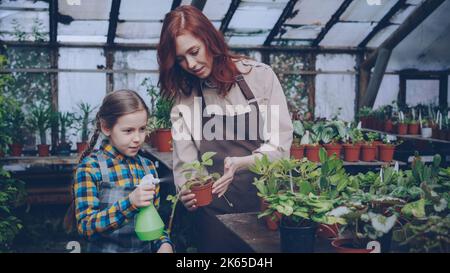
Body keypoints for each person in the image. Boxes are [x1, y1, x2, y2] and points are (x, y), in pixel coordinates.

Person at [157, 5, 293, 252]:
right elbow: (185, 164)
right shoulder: (185, 99)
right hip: (213, 219)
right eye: (180, 59)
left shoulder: (260, 78)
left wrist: (240, 163)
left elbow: (280, 149)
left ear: (210, 39)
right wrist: (187, 191)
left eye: (194, 51)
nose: (191, 63)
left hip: (266, 210)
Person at [71, 90, 173, 253]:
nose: (138, 138)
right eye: (128, 131)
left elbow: (153, 221)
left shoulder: (148, 168)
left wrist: (163, 243)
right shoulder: (90, 168)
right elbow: (86, 227)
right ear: (106, 127)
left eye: (142, 129)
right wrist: (130, 203)